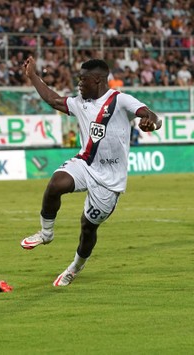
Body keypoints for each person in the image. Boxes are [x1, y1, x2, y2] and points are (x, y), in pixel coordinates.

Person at [20, 56, 162, 287]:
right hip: (85, 164)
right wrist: (33, 76)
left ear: (97, 80)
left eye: (82, 79)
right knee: (56, 184)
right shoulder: (80, 102)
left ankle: (75, 266)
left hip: (110, 180)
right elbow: (53, 99)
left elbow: (152, 116)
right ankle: (46, 233)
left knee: (87, 227)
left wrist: (150, 123)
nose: (79, 84)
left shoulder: (121, 100)